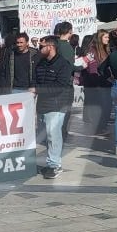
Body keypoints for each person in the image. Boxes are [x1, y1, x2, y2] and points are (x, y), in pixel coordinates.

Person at [33, 36, 74, 179]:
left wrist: (37, 89)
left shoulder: (64, 65)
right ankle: (51, 163)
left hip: (57, 104)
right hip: (43, 105)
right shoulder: (40, 63)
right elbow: (36, 80)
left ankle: (55, 165)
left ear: (50, 47)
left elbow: (60, 86)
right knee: (47, 135)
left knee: (53, 134)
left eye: (41, 46)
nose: (39, 48)